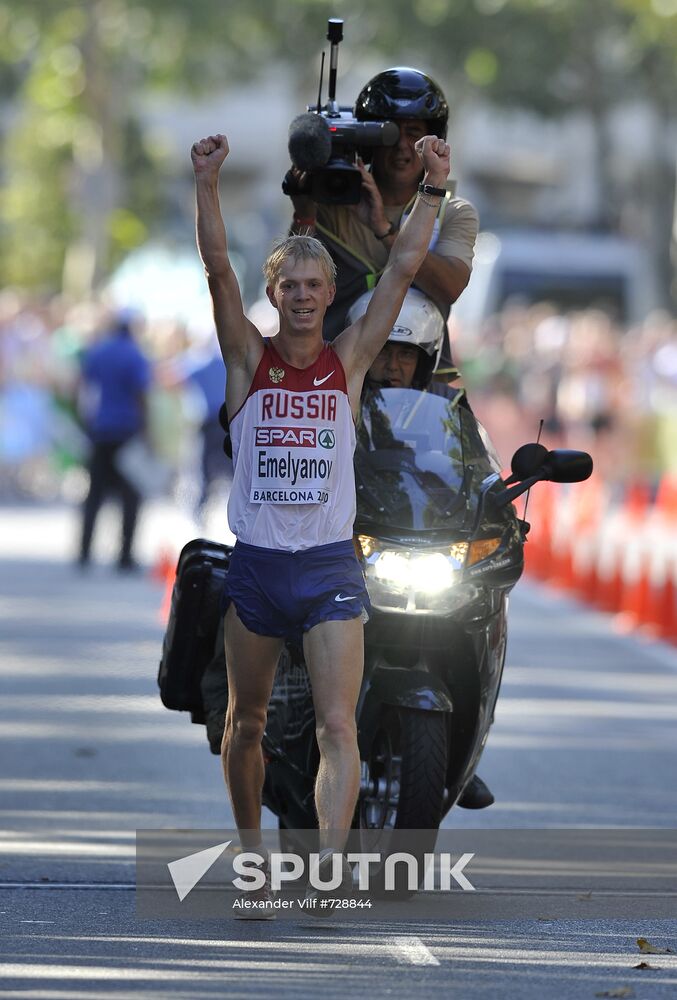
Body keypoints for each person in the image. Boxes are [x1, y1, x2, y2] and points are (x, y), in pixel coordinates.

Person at [191, 128, 450, 917]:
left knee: (341, 724)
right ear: (275, 296)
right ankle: (251, 856)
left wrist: (433, 188)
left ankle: (329, 870)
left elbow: (404, 267)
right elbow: (215, 270)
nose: (303, 295)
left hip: (331, 568)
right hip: (260, 569)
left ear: (325, 293)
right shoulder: (247, 360)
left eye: (313, 284)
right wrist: (206, 184)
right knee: (247, 724)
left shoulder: (351, 358)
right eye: (290, 286)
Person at [286, 67, 479, 358]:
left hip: (420, 385)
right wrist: (304, 214)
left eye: (414, 134)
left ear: (433, 140)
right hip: (334, 376)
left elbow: (449, 288)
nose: (402, 146)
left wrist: (383, 228)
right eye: (388, 133)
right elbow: (290, 285)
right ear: (368, 142)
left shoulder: (452, 212)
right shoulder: (331, 201)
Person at [77, 310, 151, 571]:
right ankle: (125, 554)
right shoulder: (135, 355)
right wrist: (147, 429)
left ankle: (84, 550)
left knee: (94, 493)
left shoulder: (98, 351)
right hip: (127, 431)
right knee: (130, 496)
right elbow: (142, 393)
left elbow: (84, 387)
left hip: (101, 428)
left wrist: (87, 421)